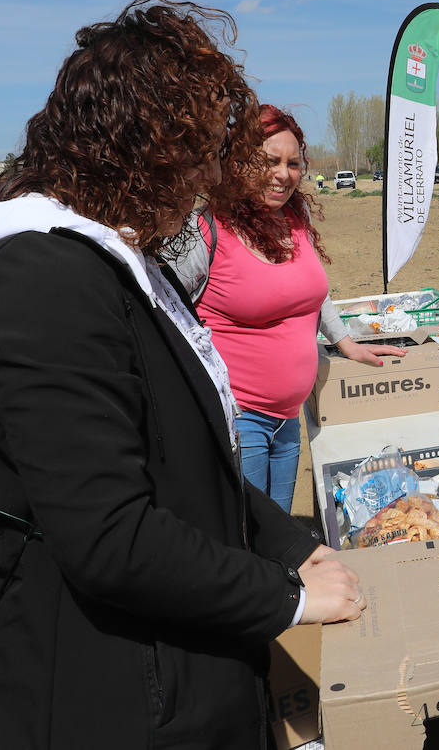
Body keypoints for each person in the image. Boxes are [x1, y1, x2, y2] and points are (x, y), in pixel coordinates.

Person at [0, 0, 364, 750]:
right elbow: (110, 536)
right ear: (143, 146)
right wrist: (288, 596)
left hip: (161, 671)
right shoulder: (43, 281)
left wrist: (283, 541)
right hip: (101, 695)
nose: (209, 173)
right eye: (199, 149)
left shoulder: (119, 258)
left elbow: (184, 463)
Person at [167, 103, 404, 512]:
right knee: (248, 535)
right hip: (237, 418)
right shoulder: (204, 230)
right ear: (238, 163)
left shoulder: (295, 218)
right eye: (269, 161)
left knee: (278, 529)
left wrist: (346, 343)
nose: (283, 174)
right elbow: (164, 311)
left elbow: (313, 291)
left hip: (288, 418)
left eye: (293, 163)